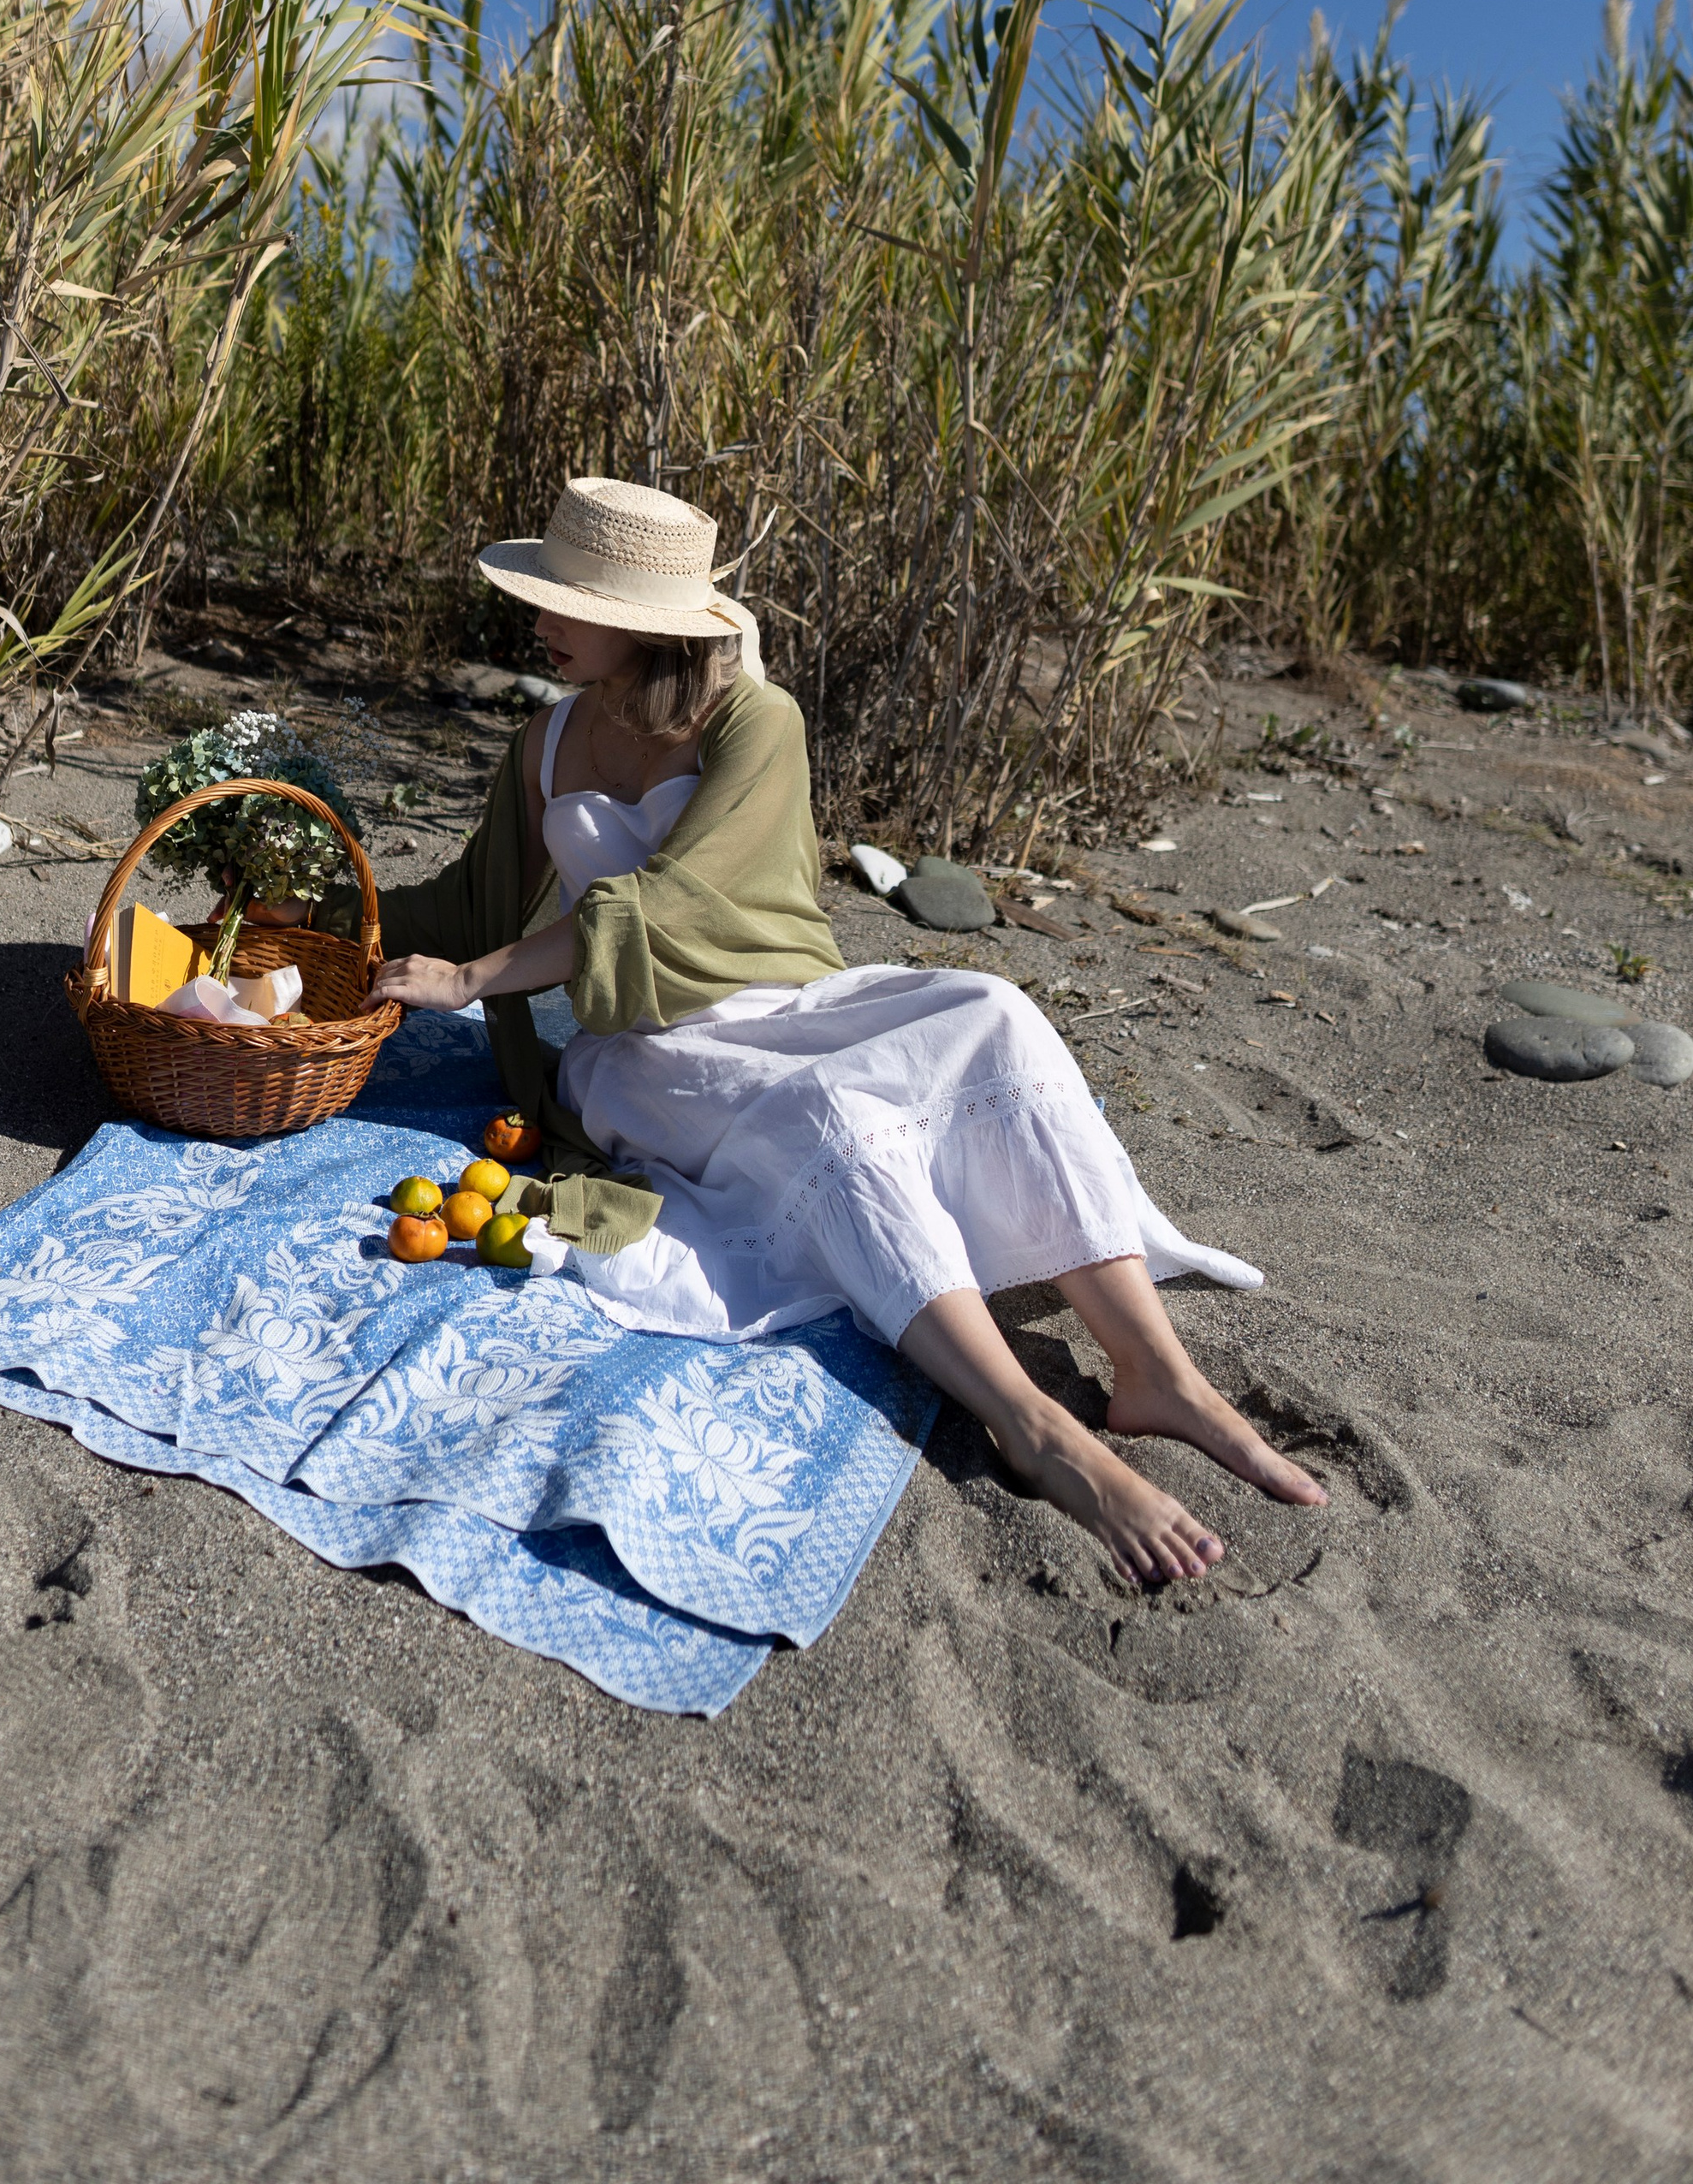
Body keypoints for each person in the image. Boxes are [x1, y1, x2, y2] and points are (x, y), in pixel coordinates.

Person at [373, 477, 1326, 1588]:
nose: (535, 619)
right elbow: (468, 901)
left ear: (644, 623)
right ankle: (1026, 1419)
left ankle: (1158, 1370)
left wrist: (475, 978)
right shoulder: (543, 743)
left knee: (993, 1013)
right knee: (832, 1120)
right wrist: (321, 912)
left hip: (784, 1003)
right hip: (641, 1055)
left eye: (561, 599)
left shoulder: (755, 722)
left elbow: (671, 904)